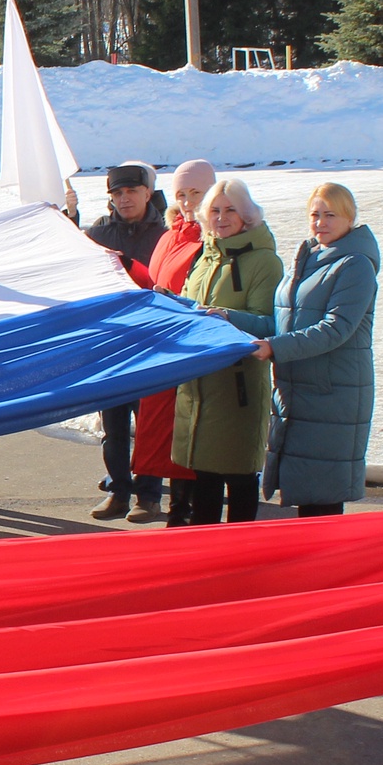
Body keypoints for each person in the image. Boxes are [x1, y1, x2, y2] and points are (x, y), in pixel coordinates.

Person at [228, 182, 380, 519]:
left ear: (349, 218)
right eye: (315, 214)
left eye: (330, 215)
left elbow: (336, 328)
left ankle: (325, 569)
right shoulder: (310, 258)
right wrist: (228, 317)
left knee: (322, 497)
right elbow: (281, 324)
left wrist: (274, 349)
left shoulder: (355, 265)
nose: (321, 222)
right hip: (299, 392)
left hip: (332, 395)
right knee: (309, 494)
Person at [171, 180, 282, 525]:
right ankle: (206, 556)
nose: (221, 218)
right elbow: (193, 307)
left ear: (247, 215)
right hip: (200, 384)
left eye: (230, 209)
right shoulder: (206, 255)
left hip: (238, 388)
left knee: (238, 476)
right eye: (215, 210)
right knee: (204, 477)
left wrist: (226, 316)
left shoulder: (265, 262)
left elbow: (270, 324)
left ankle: (240, 555)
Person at [87, 163, 171, 520]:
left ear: (147, 193)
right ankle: (119, 491)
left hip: (152, 342)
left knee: (150, 423)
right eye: (117, 194)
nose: (124, 199)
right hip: (110, 343)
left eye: (131, 192)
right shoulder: (97, 233)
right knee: (114, 426)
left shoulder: (164, 234)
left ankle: (148, 497)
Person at [138, 160, 215, 525]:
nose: (187, 201)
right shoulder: (170, 235)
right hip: (164, 346)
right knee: (165, 433)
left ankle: (184, 510)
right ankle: (174, 506)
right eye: (181, 193)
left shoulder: (212, 235)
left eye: (196, 193)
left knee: (190, 430)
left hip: (192, 345)